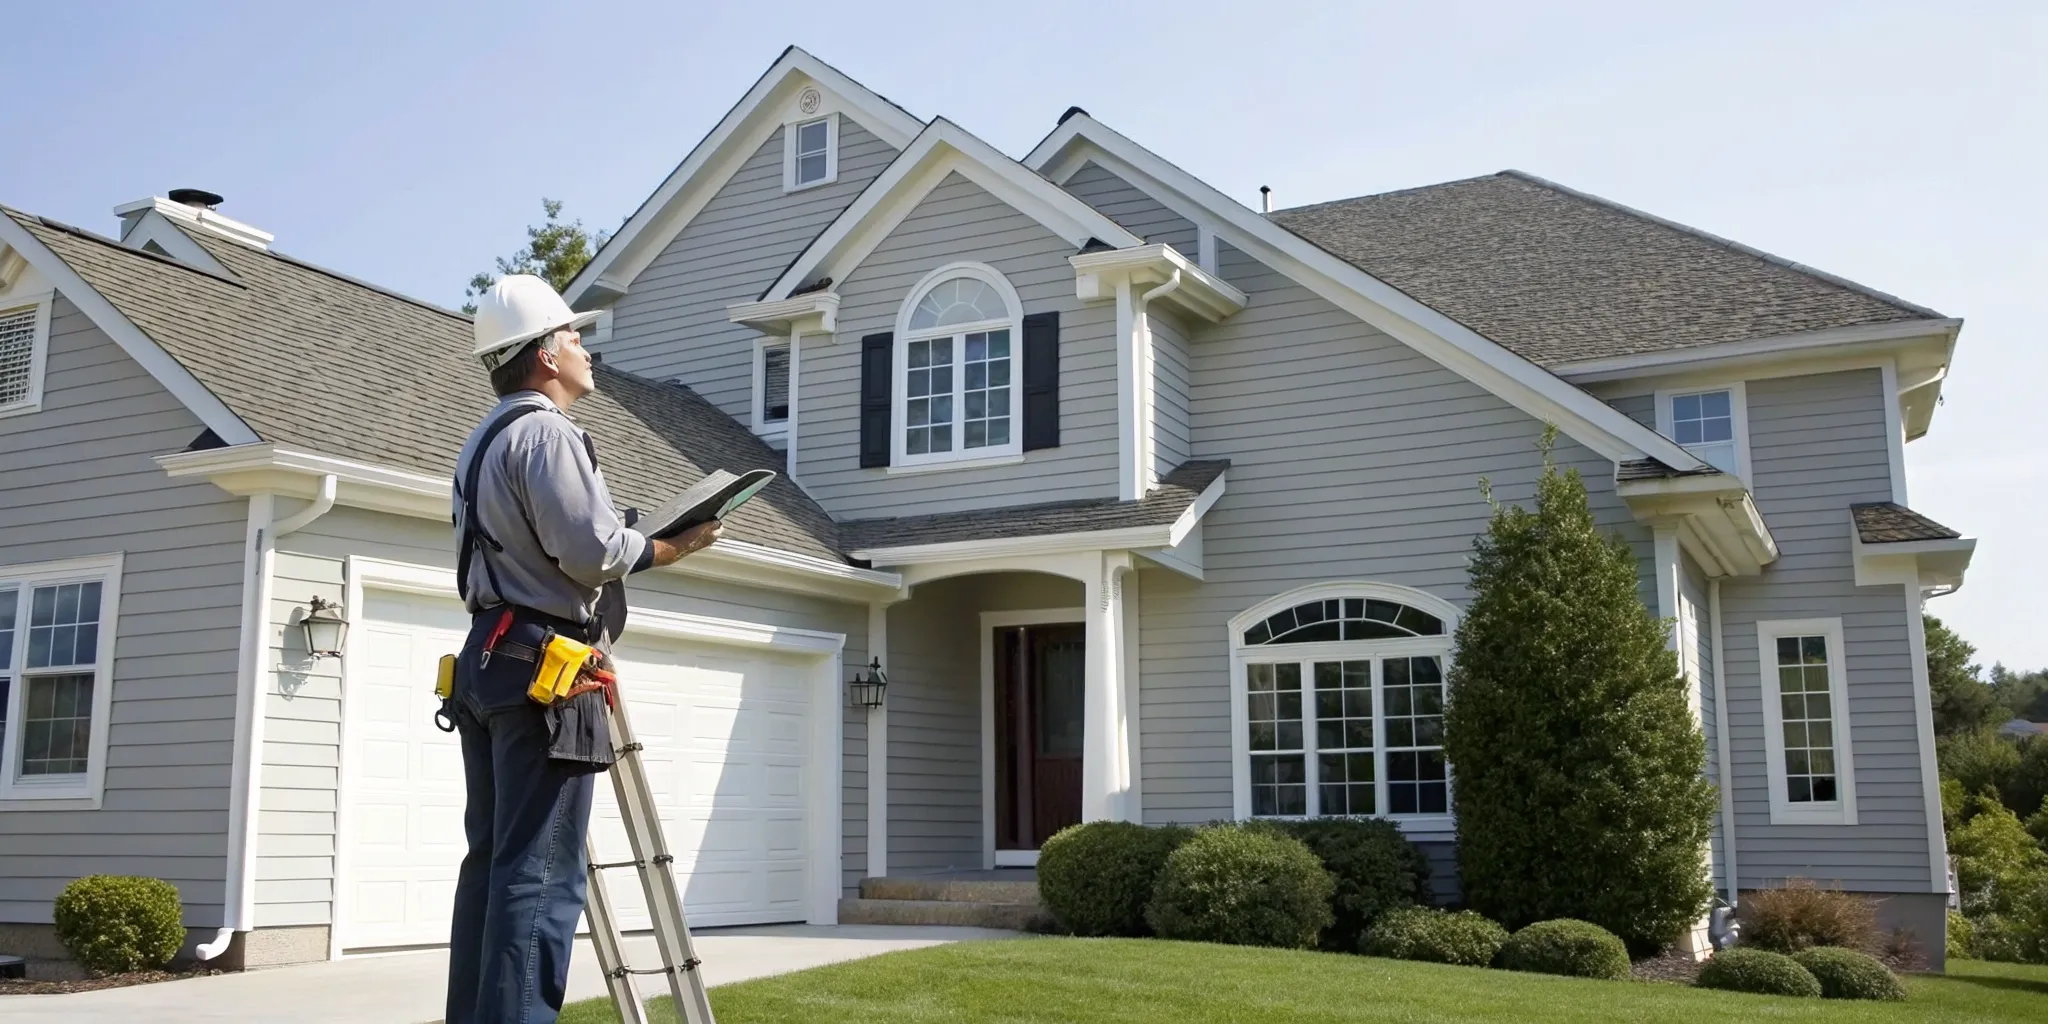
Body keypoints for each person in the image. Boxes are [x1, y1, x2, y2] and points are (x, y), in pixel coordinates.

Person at [444, 275, 721, 1024]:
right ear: (541, 356)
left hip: (489, 659)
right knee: (539, 874)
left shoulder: (481, 440)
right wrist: (672, 545)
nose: (584, 348)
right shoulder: (547, 434)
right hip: (545, 663)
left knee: (494, 865)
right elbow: (592, 552)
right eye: (572, 336)